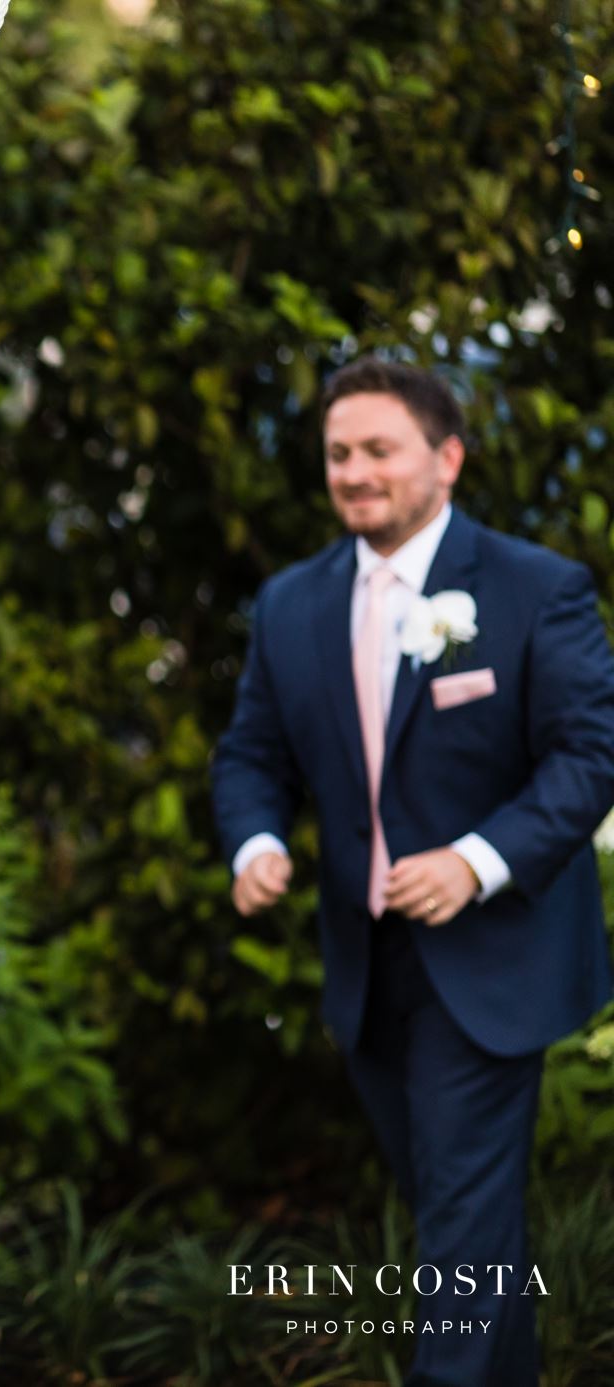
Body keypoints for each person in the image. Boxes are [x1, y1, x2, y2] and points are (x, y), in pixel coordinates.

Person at [210, 357, 614, 1386]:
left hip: (490, 958)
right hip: (363, 959)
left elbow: (591, 755)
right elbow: (251, 754)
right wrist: (256, 843)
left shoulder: (534, 588)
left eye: (377, 449)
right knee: (458, 1223)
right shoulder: (289, 605)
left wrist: (478, 862)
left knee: (460, 1238)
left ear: (446, 458)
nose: (353, 471)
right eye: (338, 452)